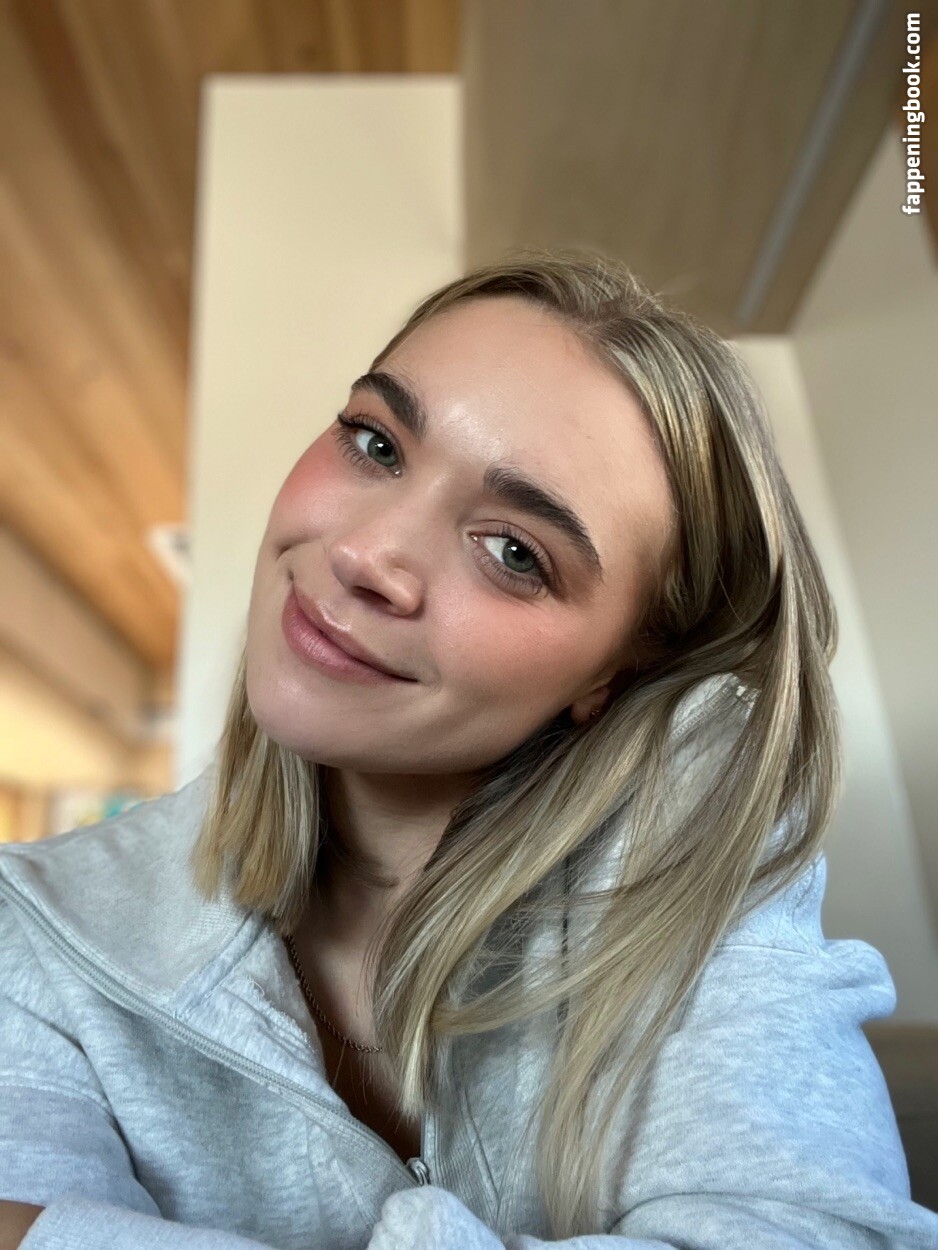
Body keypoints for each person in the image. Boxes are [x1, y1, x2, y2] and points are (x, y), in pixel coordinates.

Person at [1, 249, 935, 1250]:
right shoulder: (41, 920)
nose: (365, 554)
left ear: (615, 670)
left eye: (514, 552)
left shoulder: (694, 842)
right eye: (375, 442)